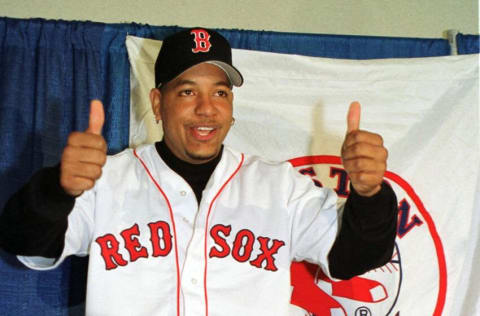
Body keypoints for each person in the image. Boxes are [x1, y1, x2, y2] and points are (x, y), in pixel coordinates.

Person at [0, 28, 398, 316]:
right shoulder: (108, 181)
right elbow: (27, 243)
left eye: (220, 93)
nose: (206, 108)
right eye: (187, 91)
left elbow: (352, 257)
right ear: (157, 103)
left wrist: (370, 195)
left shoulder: (280, 188)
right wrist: (57, 190)